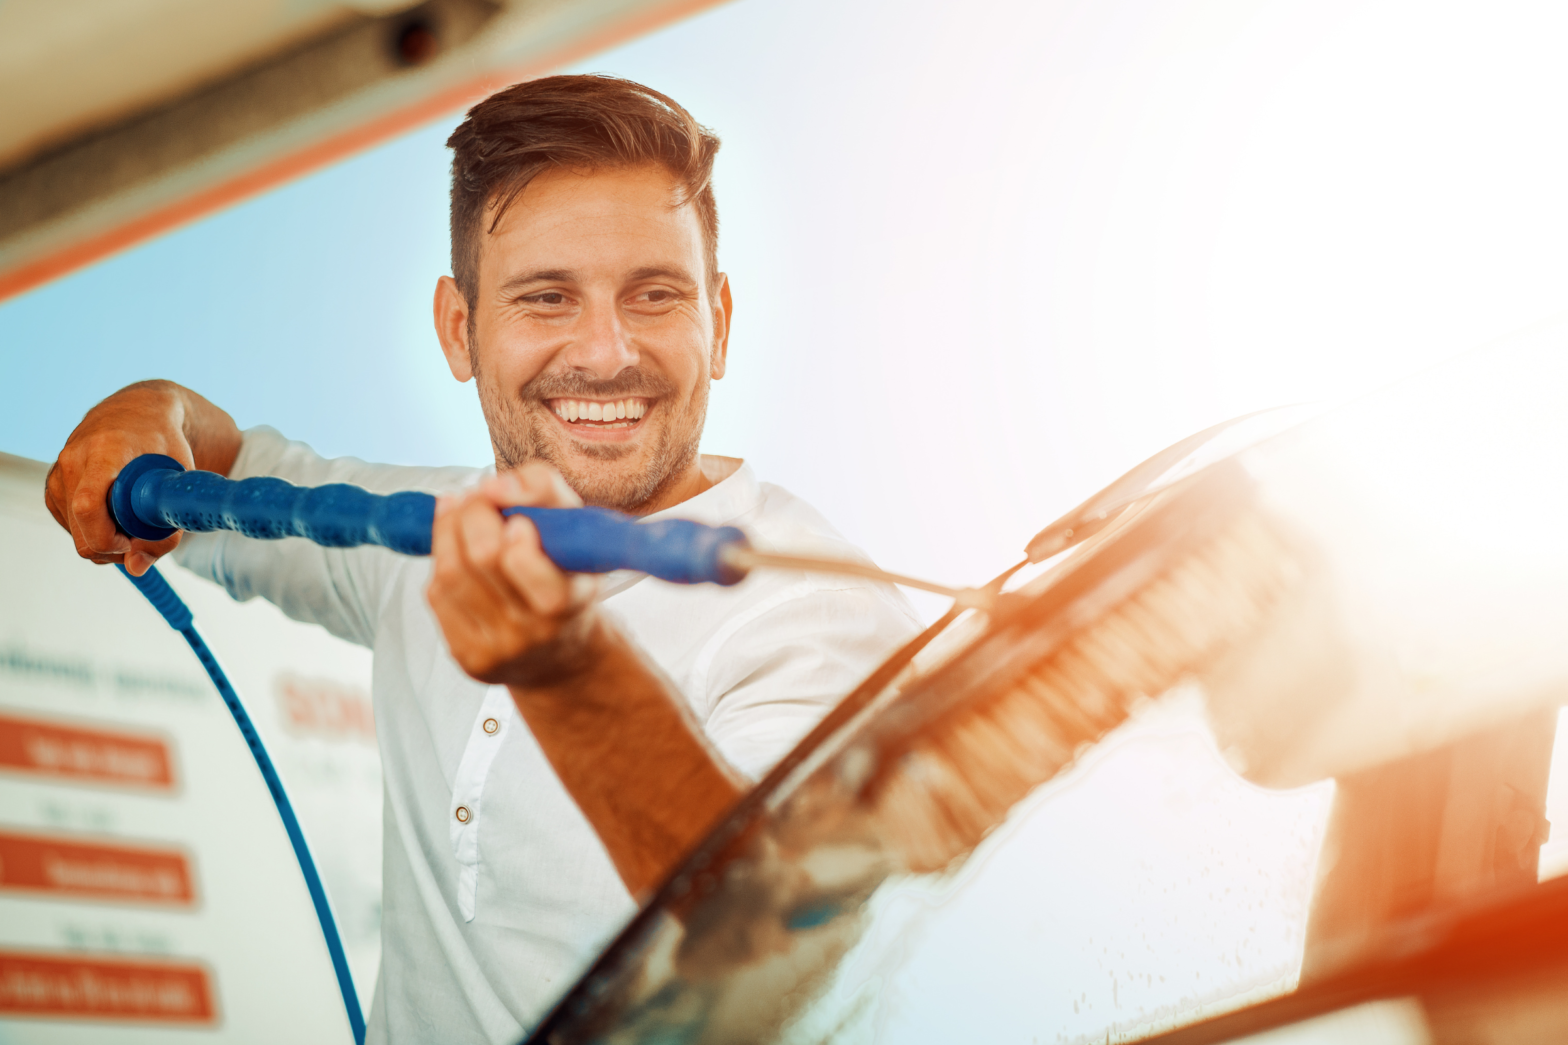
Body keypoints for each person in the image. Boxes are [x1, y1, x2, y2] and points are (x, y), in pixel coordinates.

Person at [45, 75, 920, 1043]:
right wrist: (147, 404)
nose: (603, 351)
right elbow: (224, 459)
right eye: (546, 297)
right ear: (459, 330)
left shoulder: (818, 614)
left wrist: (566, 673)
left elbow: (778, 940)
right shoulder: (416, 531)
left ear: (718, 320)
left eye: (654, 295)